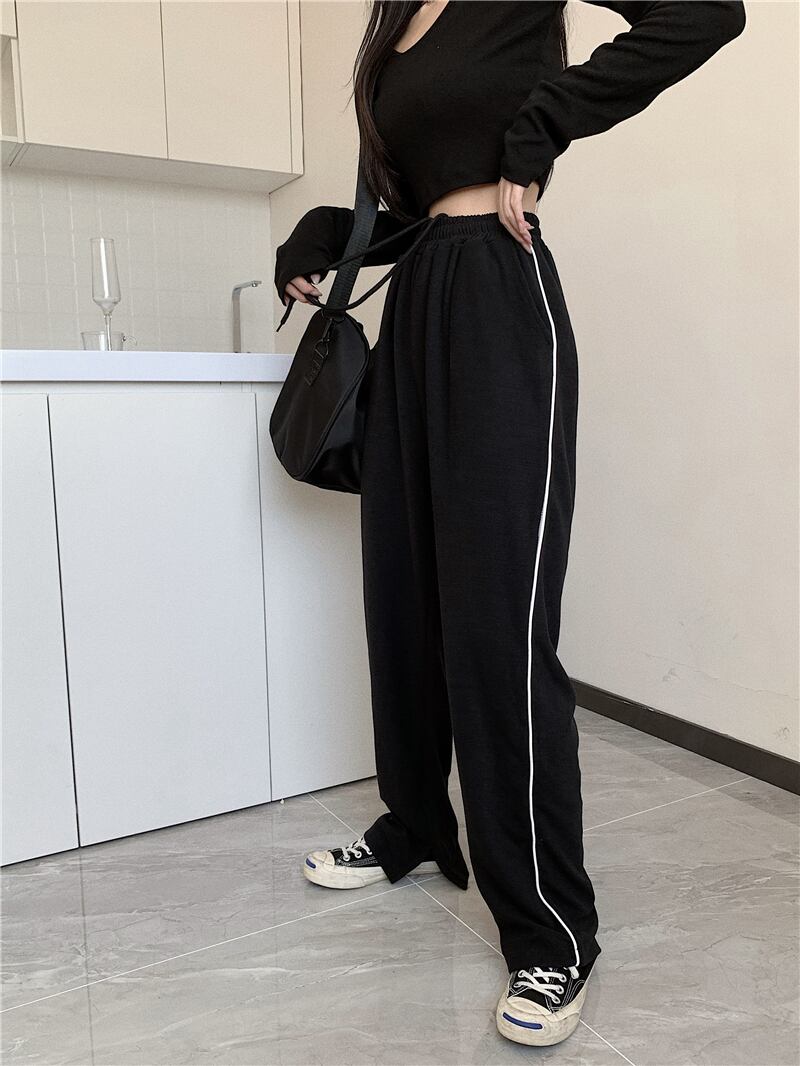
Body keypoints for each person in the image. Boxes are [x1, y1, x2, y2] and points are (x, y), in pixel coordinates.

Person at [273, 0, 745, 1047]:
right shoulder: (394, 21)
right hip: (417, 305)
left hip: (497, 287)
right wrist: (326, 233)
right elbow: (416, 197)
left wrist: (545, 122)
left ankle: (549, 928)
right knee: (402, 598)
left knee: (495, 622)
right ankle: (414, 823)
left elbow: (708, 12)